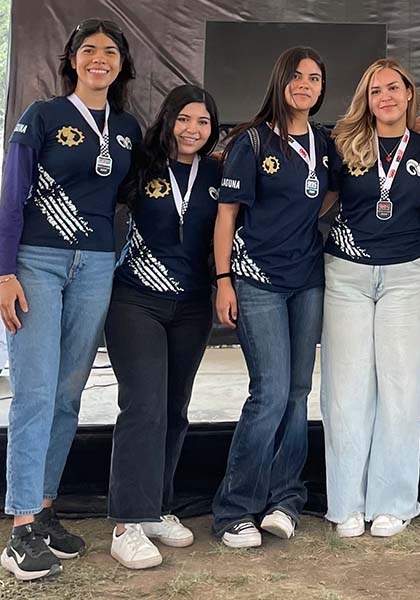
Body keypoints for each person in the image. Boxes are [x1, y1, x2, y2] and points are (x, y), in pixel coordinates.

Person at [0, 19, 140, 581]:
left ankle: (47, 509)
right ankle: (20, 529)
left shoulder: (127, 128)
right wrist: (4, 270)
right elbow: (11, 193)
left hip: (96, 264)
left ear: (123, 64)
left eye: (110, 51)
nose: (99, 59)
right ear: (72, 60)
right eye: (89, 50)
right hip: (38, 260)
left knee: (66, 393)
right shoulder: (43, 115)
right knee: (34, 391)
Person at [211, 46, 337, 548]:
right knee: (269, 393)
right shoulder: (252, 140)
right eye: (297, 77)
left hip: (307, 279)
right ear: (280, 82)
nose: (305, 85)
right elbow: (226, 216)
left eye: (314, 77)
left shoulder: (324, 143)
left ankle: (285, 499)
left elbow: (324, 193)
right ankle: (234, 510)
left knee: (298, 392)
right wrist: (224, 279)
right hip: (256, 279)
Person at [105, 84, 221, 568]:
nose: (192, 130)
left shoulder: (217, 173)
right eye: (184, 119)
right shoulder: (140, 165)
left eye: (203, 122)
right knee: (144, 405)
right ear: (168, 119)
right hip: (135, 301)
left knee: (175, 407)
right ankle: (127, 523)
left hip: (191, 306)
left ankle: (156, 507)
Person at [320, 58, 420, 538]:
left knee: (401, 388)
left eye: (393, 88)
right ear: (365, 100)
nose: (384, 97)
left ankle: (394, 501)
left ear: (408, 93)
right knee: (345, 391)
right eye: (374, 91)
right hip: (346, 273)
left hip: (407, 275)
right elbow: (312, 194)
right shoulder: (342, 144)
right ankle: (346, 502)